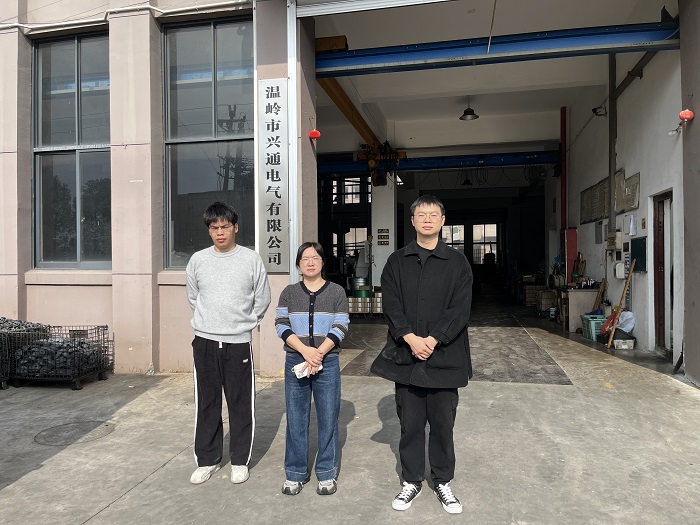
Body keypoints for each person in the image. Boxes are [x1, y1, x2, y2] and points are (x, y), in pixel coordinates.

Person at [370, 195, 473, 514]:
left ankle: (443, 481)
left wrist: (434, 338)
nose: (427, 219)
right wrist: (411, 338)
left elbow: (461, 307)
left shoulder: (457, 263)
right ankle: (411, 480)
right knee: (410, 424)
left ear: (443, 221)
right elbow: (391, 305)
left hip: (446, 357)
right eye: (421, 214)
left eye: (433, 214)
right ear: (412, 220)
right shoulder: (396, 262)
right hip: (407, 356)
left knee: (443, 424)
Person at [186, 201, 271, 485]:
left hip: (238, 343)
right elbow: (194, 297)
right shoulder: (198, 260)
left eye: (225, 226)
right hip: (205, 342)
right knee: (206, 403)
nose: (220, 232)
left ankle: (239, 461)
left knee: (240, 402)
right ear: (209, 231)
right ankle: (208, 460)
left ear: (235, 227)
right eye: (214, 228)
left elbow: (262, 298)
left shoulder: (250, 259)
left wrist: (245, 323)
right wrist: (210, 322)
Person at [275, 242, 349, 496]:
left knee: (328, 418)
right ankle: (295, 473)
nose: (310, 262)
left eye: (315, 257)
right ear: (298, 264)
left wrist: (318, 354)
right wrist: (305, 351)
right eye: (305, 258)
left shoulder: (337, 291)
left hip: (327, 362)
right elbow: (281, 325)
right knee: (296, 418)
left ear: (322, 262)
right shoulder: (289, 293)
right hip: (295, 360)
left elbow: (341, 326)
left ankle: (327, 473)